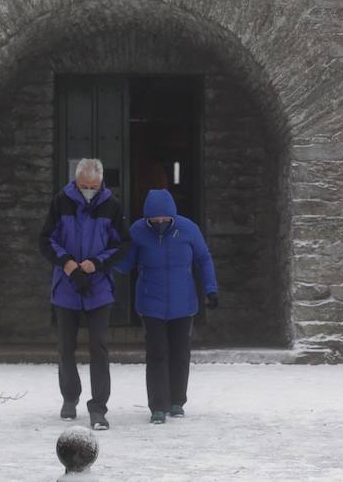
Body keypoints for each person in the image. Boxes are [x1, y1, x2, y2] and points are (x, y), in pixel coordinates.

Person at [38, 158, 129, 431]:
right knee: (66, 346)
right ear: (76, 182)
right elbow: (46, 239)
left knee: (99, 347)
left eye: (94, 186)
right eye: (84, 186)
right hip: (66, 285)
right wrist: (67, 263)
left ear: (101, 183)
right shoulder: (60, 202)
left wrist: (96, 263)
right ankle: (70, 396)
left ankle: (99, 406)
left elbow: (121, 243)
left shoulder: (111, 205)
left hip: (98, 285)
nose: (89, 190)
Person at [116, 188, 218, 424]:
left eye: (165, 219)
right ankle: (158, 406)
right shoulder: (138, 232)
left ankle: (177, 401)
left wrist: (211, 289)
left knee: (180, 354)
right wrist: (114, 248)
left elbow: (203, 259)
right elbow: (124, 265)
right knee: (157, 354)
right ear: (147, 218)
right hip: (151, 303)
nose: (160, 223)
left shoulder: (189, 229)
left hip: (183, 304)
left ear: (173, 216)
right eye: (155, 219)